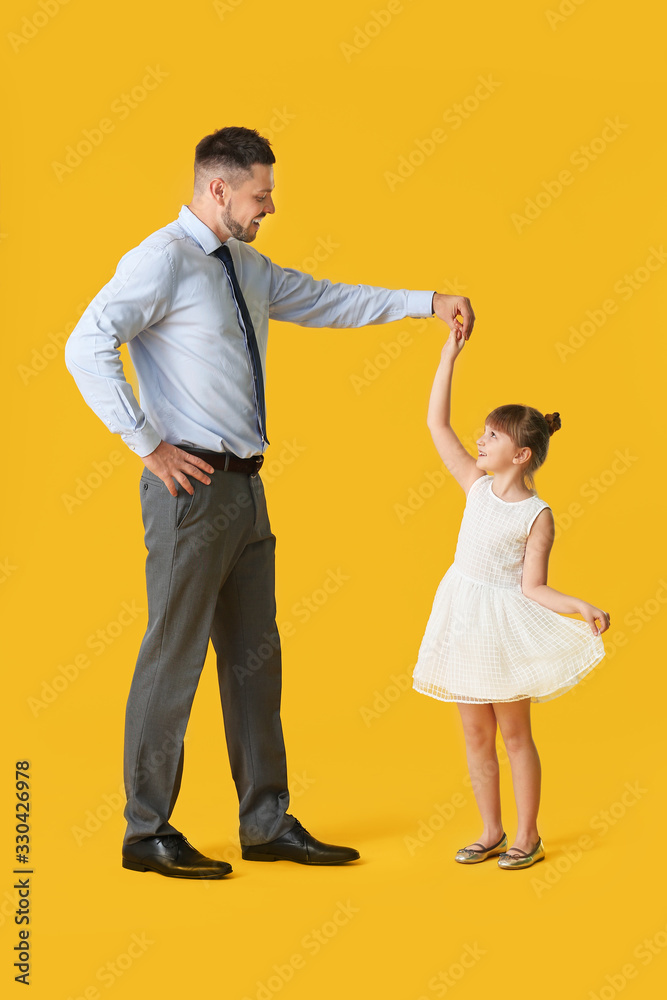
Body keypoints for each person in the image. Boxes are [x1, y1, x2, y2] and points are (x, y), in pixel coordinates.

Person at [64, 125, 475, 880]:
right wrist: (147, 443)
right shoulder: (162, 260)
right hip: (189, 491)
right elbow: (85, 343)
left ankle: (264, 820)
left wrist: (427, 302)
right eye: (260, 195)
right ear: (218, 190)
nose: (270, 207)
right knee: (174, 656)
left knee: (256, 660)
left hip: (245, 489)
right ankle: (145, 831)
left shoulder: (245, 267)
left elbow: (326, 300)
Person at [411, 326, 610, 870]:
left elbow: (534, 587)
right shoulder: (474, 485)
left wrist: (581, 607)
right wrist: (448, 355)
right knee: (476, 735)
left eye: (492, 437)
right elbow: (436, 423)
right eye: (482, 433)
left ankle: (528, 835)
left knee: (515, 735)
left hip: (502, 625)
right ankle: (491, 830)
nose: (480, 441)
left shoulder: (536, 515)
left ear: (520, 454)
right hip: (462, 618)